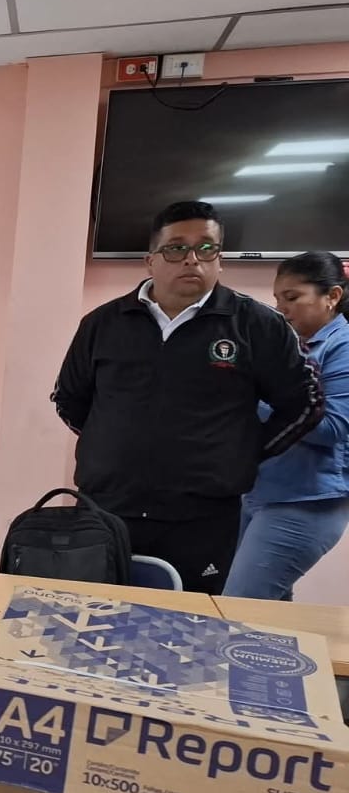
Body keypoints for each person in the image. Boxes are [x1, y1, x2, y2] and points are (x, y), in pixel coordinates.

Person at [53, 200, 323, 594]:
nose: (192, 259)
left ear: (220, 259)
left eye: (206, 248)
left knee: (192, 626)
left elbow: (304, 404)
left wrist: (243, 453)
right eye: (176, 248)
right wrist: (109, 443)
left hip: (203, 519)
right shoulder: (102, 323)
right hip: (106, 510)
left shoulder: (257, 325)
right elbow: (70, 399)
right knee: (96, 616)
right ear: (150, 261)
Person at [225, 252, 349, 600]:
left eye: (292, 298)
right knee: (267, 613)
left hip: (306, 502)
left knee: (236, 608)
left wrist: (253, 398)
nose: (281, 309)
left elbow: (332, 427)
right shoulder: (288, 345)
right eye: (278, 299)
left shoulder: (342, 346)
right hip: (260, 493)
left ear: (332, 296)